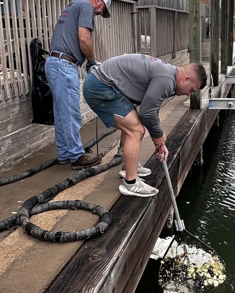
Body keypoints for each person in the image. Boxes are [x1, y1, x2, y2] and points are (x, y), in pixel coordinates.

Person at [82, 54, 207, 197]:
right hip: (100, 87)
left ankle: (129, 167)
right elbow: (147, 113)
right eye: (191, 90)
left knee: (132, 124)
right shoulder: (167, 80)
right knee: (136, 130)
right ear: (187, 79)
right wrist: (159, 135)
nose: (189, 95)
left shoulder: (168, 74)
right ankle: (130, 183)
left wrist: (158, 140)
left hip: (103, 83)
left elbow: (152, 109)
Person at [45, 0, 111, 169]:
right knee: (71, 112)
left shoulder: (74, 4)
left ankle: (64, 154)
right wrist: (92, 62)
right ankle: (76, 156)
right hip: (64, 65)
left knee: (61, 113)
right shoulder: (86, 6)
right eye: (102, 9)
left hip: (54, 62)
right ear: (98, 0)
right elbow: (84, 38)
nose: (100, 13)